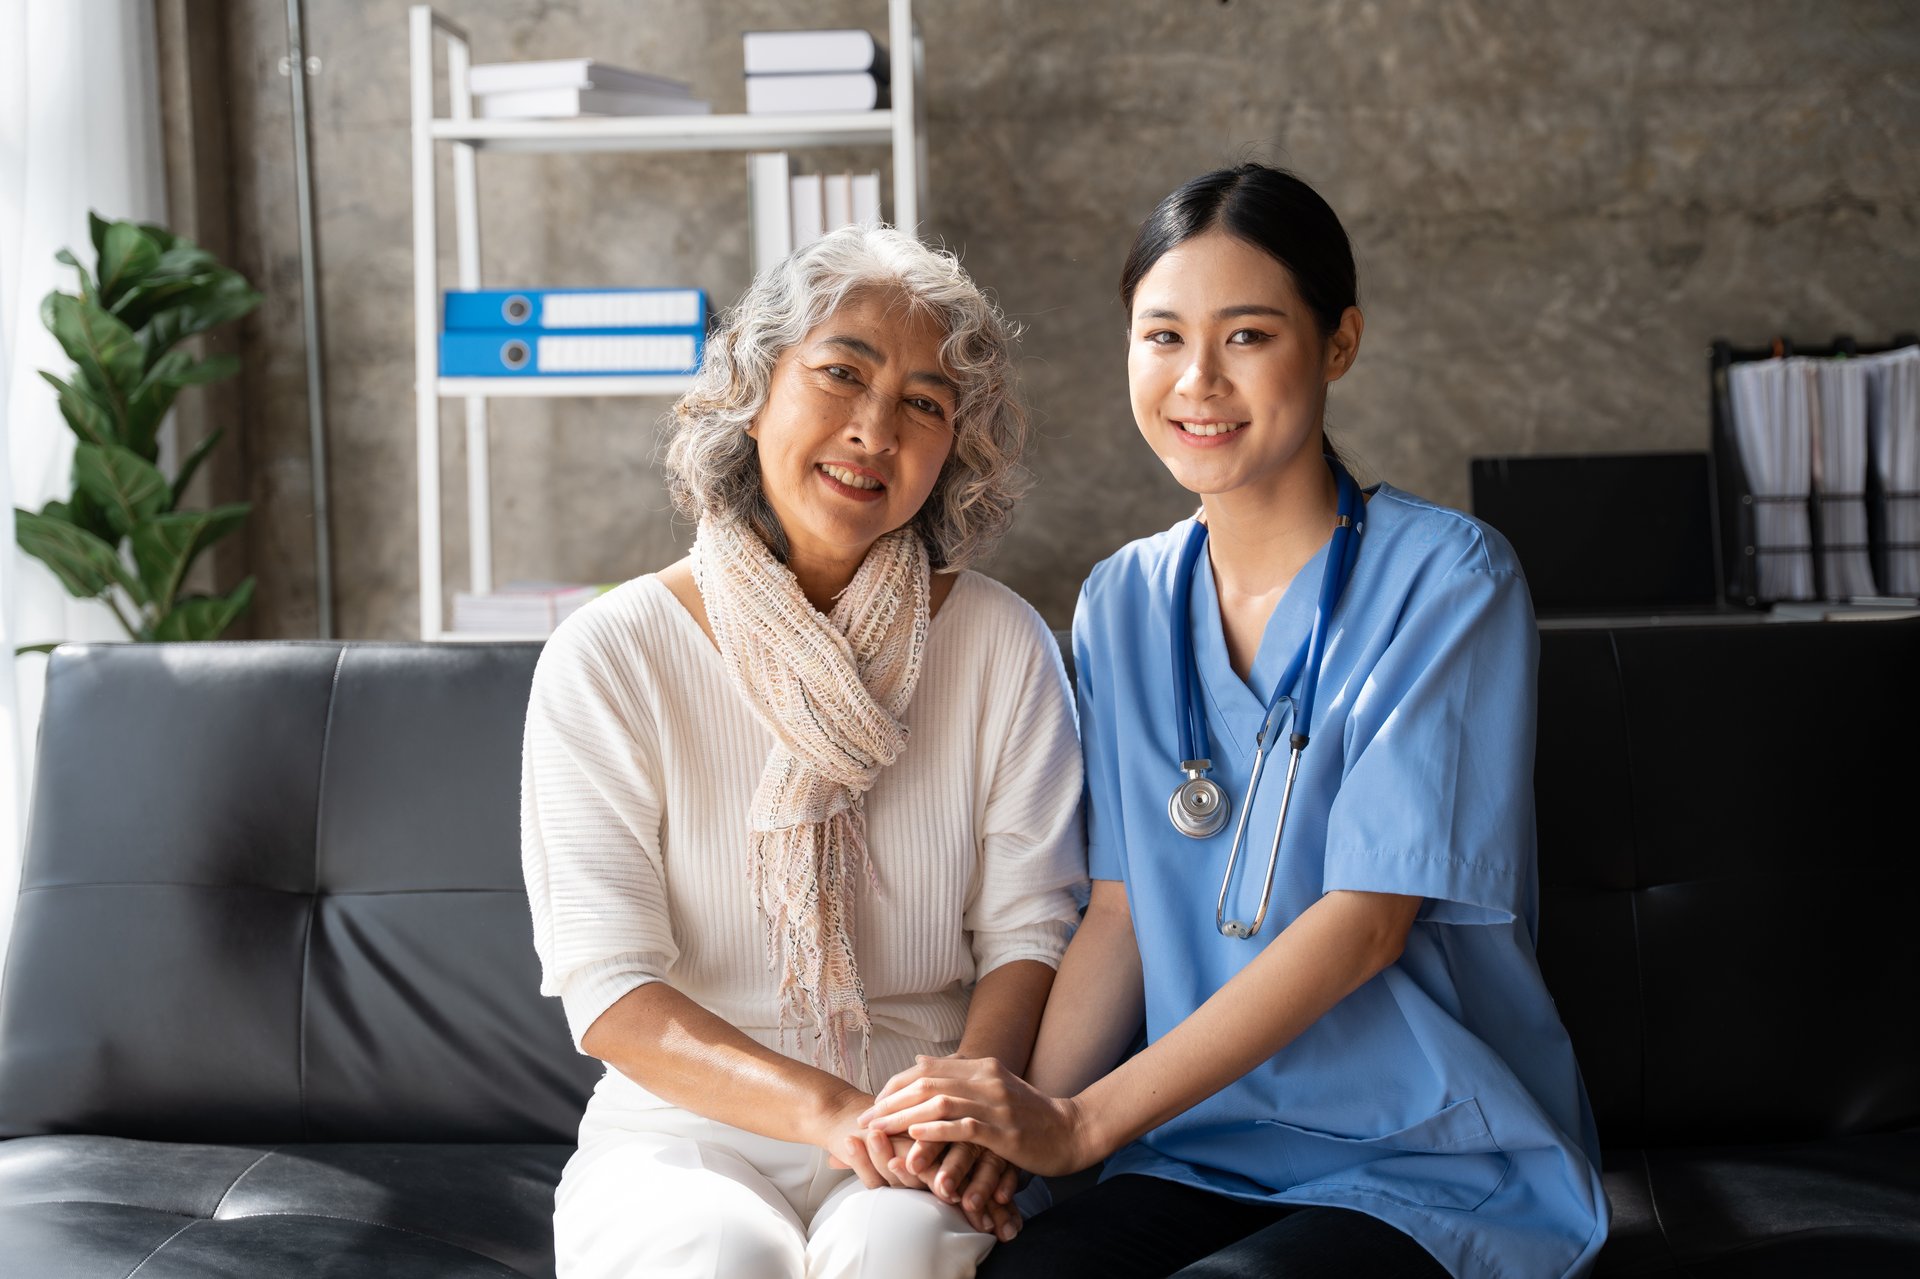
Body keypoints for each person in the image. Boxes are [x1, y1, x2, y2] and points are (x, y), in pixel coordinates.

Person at [858, 165, 1610, 1278]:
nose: (1197, 380)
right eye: (1161, 336)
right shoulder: (1121, 602)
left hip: (1425, 1158)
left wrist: (1085, 1124)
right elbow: (1119, 912)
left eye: (1247, 336)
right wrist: (1025, 1128)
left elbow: (1367, 921)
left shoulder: (1449, 580)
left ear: (1338, 342)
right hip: (1197, 1149)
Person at [520, 224, 1087, 1279]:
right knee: (714, 1257)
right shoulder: (610, 654)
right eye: (841, 373)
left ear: (954, 449)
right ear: (755, 385)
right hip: (679, 1134)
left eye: (924, 402)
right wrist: (833, 1113)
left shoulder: (1003, 642)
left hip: (924, 1124)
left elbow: (1029, 934)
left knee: (895, 1259)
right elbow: (610, 990)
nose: (875, 428)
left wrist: (954, 1115)